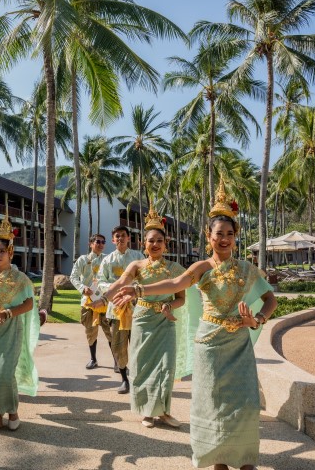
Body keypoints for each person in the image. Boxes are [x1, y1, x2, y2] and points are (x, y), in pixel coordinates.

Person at [113, 180, 277, 470]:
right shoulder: (202, 268)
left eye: (229, 233)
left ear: (236, 236)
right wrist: (138, 291)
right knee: (212, 404)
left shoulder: (248, 269)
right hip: (209, 345)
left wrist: (258, 320)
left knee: (245, 403)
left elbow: (269, 300)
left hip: (238, 344)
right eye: (218, 234)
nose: (223, 239)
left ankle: (245, 457)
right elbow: (176, 284)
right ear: (208, 236)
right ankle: (217, 460)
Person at [96, 205, 198, 429]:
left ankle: (164, 411)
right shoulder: (136, 265)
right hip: (142, 319)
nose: (155, 244)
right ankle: (146, 412)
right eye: (151, 240)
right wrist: (104, 299)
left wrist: (169, 306)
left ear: (165, 244)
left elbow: (181, 297)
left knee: (166, 367)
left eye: (159, 241)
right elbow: (121, 283)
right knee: (143, 366)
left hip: (166, 321)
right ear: (144, 244)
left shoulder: (174, 268)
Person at [0, 215, 39, 435]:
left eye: (1, 251)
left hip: (11, 328)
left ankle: (12, 412)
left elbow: (29, 303)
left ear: (10, 252)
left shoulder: (20, 278)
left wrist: (10, 312)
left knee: (4, 373)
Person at [96, 225, 144, 394]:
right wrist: (117, 289)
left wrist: (132, 290)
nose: (120, 238)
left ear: (129, 238)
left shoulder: (138, 257)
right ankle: (124, 379)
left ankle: (138, 379)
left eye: (123, 235)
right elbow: (100, 281)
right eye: (117, 236)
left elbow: (145, 279)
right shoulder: (107, 260)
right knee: (118, 345)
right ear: (113, 239)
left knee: (139, 344)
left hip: (137, 308)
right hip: (116, 308)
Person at [70, 233, 114, 370]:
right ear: (90, 244)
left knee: (111, 332)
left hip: (104, 301)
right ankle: (93, 359)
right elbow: (73, 277)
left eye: (103, 242)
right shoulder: (83, 260)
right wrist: (83, 288)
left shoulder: (107, 259)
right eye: (98, 242)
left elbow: (112, 277)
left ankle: (118, 362)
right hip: (88, 302)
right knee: (90, 331)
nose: (101, 244)